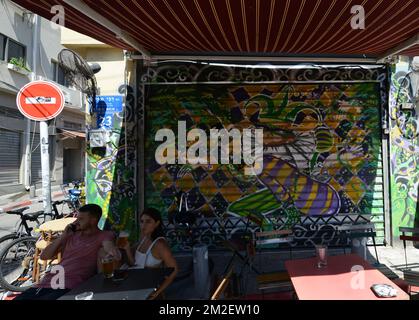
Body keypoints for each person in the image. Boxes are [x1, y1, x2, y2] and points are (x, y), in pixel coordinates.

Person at [15, 204, 121, 300]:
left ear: (93, 220)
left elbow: (109, 247)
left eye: (81, 219)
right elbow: (44, 256)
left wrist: (112, 251)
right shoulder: (71, 235)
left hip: (70, 286)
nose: (76, 221)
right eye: (77, 218)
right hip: (49, 282)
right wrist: (63, 236)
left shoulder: (104, 235)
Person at [120, 208, 178, 299]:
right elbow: (135, 264)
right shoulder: (144, 238)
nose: (143, 225)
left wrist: (158, 292)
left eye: (148, 222)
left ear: (157, 223)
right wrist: (127, 249)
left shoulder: (159, 244)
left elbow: (174, 270)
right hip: (135, 283)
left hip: (147, 288)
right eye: (142, 221)